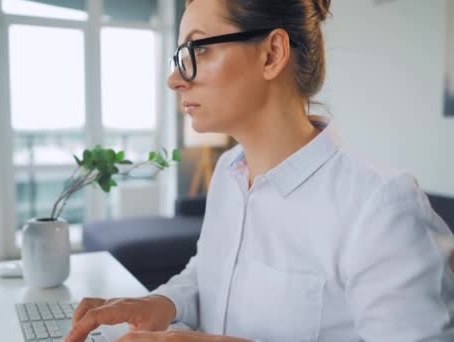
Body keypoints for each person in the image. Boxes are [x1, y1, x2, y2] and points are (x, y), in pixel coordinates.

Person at [66, 0, 454, 341]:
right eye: (178, 55)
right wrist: (162, 302)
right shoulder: (227, 172)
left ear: (271, 54)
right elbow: (210, 272)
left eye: (196, 49)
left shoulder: (381, 207)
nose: (174, 79)